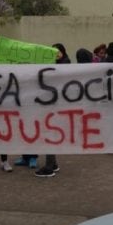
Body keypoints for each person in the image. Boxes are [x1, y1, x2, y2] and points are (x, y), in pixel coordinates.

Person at [34, 43, 71, 178]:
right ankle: (53, 163)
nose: (54, 55)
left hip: (55, 106)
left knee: (50, 133)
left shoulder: (64, 64)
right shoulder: (56, 63)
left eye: (57, 52)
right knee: (51, 133)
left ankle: (49, 167)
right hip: (52, 105)